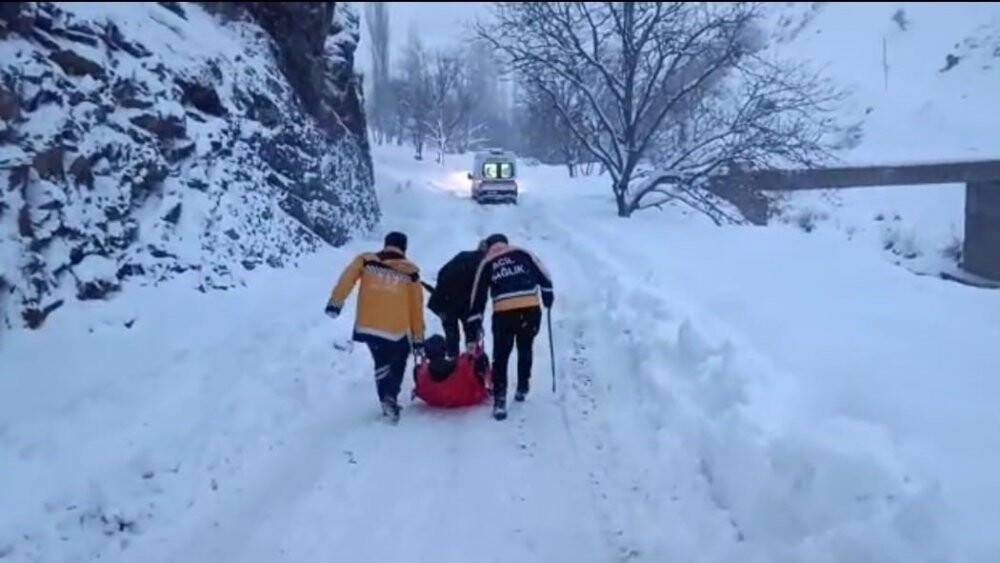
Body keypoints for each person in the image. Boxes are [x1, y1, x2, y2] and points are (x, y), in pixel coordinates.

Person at [325, 231, 425, 423]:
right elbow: (416, 308)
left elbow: (347, 278)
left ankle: (386, 400)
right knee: (399, 357)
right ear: (404, 248)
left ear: (386, 244)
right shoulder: (410, 272)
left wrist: (335, 302)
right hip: (396, 329)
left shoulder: (366, 260)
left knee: (381, 359)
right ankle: (390, 397)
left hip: (368, 325)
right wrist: (418, 339)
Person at [466, 233, 553, 420]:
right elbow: (545, 276)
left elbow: (478, 297)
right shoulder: (523, 254)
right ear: (506, 244)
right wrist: (548, 298)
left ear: (489, 247)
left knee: (501, 356)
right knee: (525, 348)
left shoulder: (488, 262)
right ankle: (522, 387)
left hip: (504, 314)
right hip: (530, 310)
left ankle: (500, 400)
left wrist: (474, 323)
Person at [427, 240, 487, 358]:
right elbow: (481, 294)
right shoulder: (483, 264)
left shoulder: (463, 255)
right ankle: (470, 366)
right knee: (471, 337)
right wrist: (478, 319)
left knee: (452, 338)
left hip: (444, 302)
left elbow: (442, 272)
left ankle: (452, 367)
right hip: (462, 303)